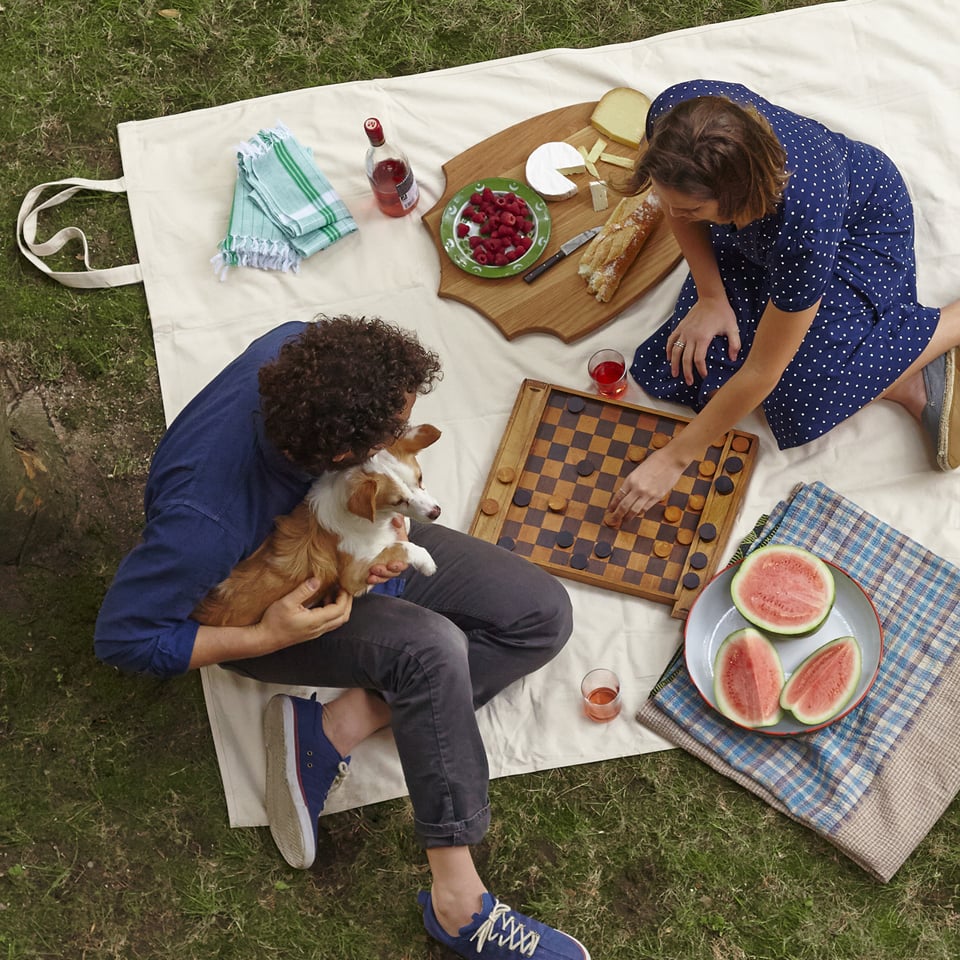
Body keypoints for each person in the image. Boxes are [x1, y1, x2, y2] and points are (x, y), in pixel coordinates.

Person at [94, 315, 590, 960]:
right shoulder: (205, 522)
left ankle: (333, 728)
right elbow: (126, 640)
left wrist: (389, 536)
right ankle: (459, 904)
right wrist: (264, 636)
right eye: (390, 432)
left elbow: (375, 486)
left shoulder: (296, 347)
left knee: (541, 613)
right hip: (270, 601)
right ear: (337, 458)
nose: (402, 439)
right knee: (431, 651)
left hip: (346, 534)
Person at [609, 79, 960, 524]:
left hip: (856, 235)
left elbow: (762, 371)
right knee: (688, 364)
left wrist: (675, 459)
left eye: (690, 211)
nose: (672, 218)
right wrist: (712, 298)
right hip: (752, 232)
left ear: (736, 198)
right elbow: (675, 207)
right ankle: (899, 380)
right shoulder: (679, 112)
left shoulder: (804, 227)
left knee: (799, 406)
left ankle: (947, 327)